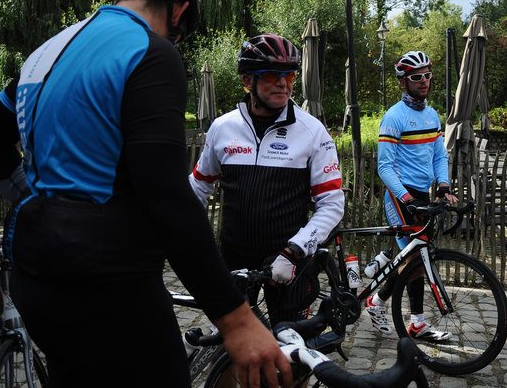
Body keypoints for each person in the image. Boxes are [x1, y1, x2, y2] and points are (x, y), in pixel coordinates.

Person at [0, 0, 291, 388]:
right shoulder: (150, 51)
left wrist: (34, 199)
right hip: (105, 281)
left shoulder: (48, 50)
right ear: (179, 11)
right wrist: (235, 320)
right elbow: (166, 197)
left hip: (34, 274)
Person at [188, 33, 345, 326]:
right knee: (230, 346)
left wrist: (295, 250)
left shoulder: (312, 131)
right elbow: (198, 186)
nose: (284, 84)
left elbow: (332, 203)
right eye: (273, 75)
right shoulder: (222, 128)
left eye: (290, 75)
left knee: (292, 355)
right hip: (233, 259)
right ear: (248, 81)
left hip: (289, 260)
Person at [365, 50, 458, 342]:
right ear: (404, 82)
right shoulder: (394, 117)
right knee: (417, 257)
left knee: (413, 257)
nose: (424, 81)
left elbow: (439, 156)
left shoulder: (431, 115)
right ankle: (415, 321)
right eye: (417, 77)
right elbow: (384, 167)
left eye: (428, 75)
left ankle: (377, 298)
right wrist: (406, 198)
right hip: (400, 194)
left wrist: (443, 185)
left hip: (422, 193)